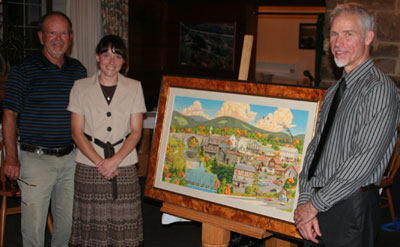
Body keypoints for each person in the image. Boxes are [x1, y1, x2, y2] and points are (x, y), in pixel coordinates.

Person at [294, 3, 400, 247]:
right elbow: (315, 149)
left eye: (348, 34)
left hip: (351, 207)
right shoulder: (334, 91)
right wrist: (306, 199)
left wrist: (313, 206)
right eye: (333, 34)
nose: (338, 43)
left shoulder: (379, 89)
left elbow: (362, 162)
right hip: (320, 205)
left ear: (368, 37)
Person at [2, 11, 87, 246]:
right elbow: (9, 114)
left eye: (63, 33)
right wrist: (11, 158)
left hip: (71, 159)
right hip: (34, 161)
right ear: (41, 37)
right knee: (33, 227)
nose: (58, 39)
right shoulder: (23, 69)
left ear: (70, 37)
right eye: (52, 33)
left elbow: (85, 116)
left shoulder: (78, 71)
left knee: (67, 225)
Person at [67, 35, 146, 246]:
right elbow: (76, 131)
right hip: (89, 165)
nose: (111, 62)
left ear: (123, 61)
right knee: (92, 227)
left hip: (124, 165)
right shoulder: (80, 87)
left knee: (125, 225)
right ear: (97, 57)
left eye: (117, 56)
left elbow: (137, 131)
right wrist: (100, 162)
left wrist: (114, 161)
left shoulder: (135, 87)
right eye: (106, 55)